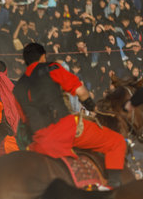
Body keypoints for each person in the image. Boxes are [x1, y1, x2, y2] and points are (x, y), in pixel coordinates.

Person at [13, 43, 127, 188]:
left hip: (41, 140)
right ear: (43, 56)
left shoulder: (17, 88)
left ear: (25, 61)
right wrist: (92, 107)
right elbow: (81, 92)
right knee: (116, 142)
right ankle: (113, 188)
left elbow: (25, 120)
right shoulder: (51, 68)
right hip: (66, 129)